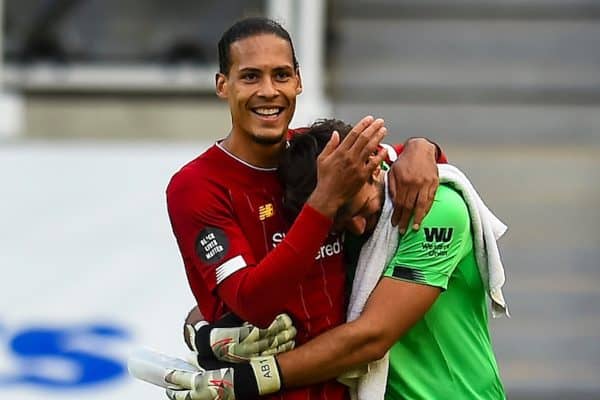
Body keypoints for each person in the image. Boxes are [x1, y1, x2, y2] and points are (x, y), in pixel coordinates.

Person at [165, 17, 446, 400]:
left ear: (298, 81)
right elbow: (252, 303)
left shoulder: (322, 152)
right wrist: (323, 202)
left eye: (281, 75)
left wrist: (421, 147)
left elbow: (406, 168)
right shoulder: (196, 186)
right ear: (222, 85)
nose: (269, 91)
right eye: (250, 77)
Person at [165, 119, 506, 399]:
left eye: (360, 209)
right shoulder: (325, 220)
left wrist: (248, 380)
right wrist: (202, 332)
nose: (357, 227)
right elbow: (258, 288)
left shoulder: (434, 209)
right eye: (341, 220)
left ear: (374, 170)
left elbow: (372, 336)